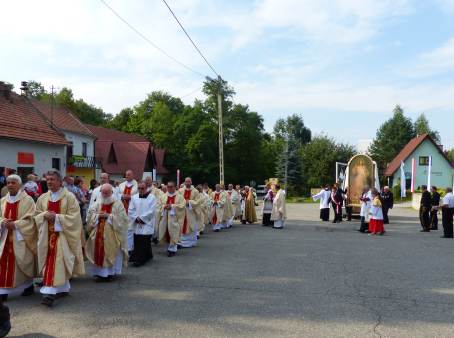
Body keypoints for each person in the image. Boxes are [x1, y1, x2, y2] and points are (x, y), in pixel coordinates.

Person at [34, 169, 85, 307]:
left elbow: (75, 218)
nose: (49, 182)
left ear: (60, 181)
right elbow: (36, 215)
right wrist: (43, 215)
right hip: (46, 235)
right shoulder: (43, 198)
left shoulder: (69, 197)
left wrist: (56, 217)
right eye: (47, 179)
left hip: (62, 236)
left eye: (52, 179)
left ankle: (49, 293)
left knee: (56, 262)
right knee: (51, 262)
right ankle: (62, 288)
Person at [0, 175, 37, 301]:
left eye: (13, 183)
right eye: (8, 182)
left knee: (23, 262)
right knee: (4, 263)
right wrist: (3, 222)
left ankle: (28, 286)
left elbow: (31, 219)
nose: (10, 185)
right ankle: (3, 290)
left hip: (20, 237)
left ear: (20, 185)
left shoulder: (28, 200)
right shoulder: (3, 200)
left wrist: (15, 224)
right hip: (5, 237)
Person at [85, 183, 128, 281]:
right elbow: (90, 215)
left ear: (111, 192)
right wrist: (97, 216)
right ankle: (99, 274)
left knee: (110, 252)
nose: (104, 194)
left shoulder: (117, 203)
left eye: (106, 193)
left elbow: (123, 219)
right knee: (98, 251)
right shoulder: (97, 203)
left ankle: (110, 273)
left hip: (112, 233)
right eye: (102, 192)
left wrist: (109, 216)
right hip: (98, 232)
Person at [128, 181, 156, 266]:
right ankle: (148, 255)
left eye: (142, 188)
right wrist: (136, 218)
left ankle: (140, 259)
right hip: (136, 222)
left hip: (147, 222)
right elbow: (130, 209)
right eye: (139, 188)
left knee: (144, 240)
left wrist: (142, 218)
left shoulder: (152, 198)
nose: (140, 190)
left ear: (146, 188)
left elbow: (152, 210)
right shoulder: (134, 197)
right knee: (137, 239)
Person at [157, 181, 185, 257]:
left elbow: (182, 206)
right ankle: (169, 247)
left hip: (174, 219)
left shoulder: (179, 196)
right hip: (165, 218)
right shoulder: (163, 196)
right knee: (166, 232)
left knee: (173, 232)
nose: (169, 188)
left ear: (175, 187)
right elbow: (158, 205)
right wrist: (164, 207)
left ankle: (172, 249)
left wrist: (172, 206)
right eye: (168, 187)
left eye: (171, 186)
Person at [119, 170, 138, 255]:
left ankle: (130, 248)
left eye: (129, 175)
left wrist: (130, 197)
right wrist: (122, 196)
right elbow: (118, 194)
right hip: (122, 209)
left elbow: (138, 196)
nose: (127, 176)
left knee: (130, 229)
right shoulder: (121, 185)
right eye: (126, 175)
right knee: (123, 228)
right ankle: (123, 246)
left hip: (132, 209)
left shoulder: (137, 185)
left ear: (133, 175)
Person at [178, 177, 201, 248]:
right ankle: (180, 242)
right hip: (182, 211)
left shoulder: (195, 191)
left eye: (189, 181)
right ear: (184, 182)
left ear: (191, 182)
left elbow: (198, 201)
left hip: (191, 212)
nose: (187, 183)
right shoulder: (180, 190)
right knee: (181, 225)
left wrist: (190, 202)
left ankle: (191, 242)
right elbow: (177, 200)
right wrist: (183, 203)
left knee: (191, 225)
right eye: (186, 182)